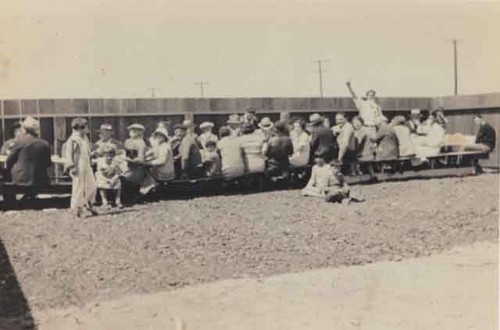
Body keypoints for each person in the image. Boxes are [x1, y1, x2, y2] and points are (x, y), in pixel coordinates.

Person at [63, 118, 98, 217]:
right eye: (86, 127)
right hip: (77, 165)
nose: (87, 129)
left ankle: (90, 203)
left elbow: (86, 151)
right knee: (78, 187)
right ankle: (78, 209)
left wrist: (92, 155)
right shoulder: (73, 139)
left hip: (86, 164)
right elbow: (69, 154)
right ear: (80, 128)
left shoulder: (85, 138)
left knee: (92, 185)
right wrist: (71, 166)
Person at [6, 117, 52, 189]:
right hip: (40, 181)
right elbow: (48, 164)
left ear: (25, 130)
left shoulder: (19, 142)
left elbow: (9, 161)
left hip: (21, 181)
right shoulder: (45, 144)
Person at [122, 123, 149, 190]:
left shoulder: (141, 144)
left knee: (121, 179)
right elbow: (124, 152)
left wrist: (128, 160)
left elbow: (141, 160)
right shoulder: (127, 141)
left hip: (136, 169)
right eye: (130, 130)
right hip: (126, 167)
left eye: (133, 130)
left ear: (139, 132)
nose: (130, 132)